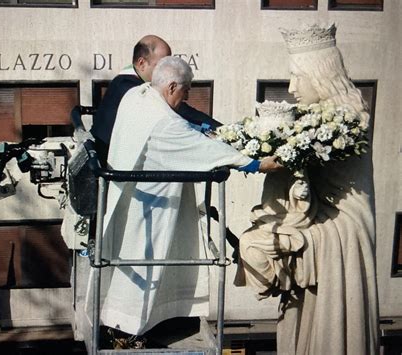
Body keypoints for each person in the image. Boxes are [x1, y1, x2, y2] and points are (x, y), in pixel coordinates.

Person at [97, 56, 281, 340]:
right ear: (171, 87)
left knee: (135, 261)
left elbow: (183, 130)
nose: (188, 96)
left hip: (131, 197)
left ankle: (125, 324)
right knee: (148, 263)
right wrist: (254, 164)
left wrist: (198, 129)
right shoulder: (166, 124)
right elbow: (199, 148)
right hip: (154, 207)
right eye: (187, 90)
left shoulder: (139, 95)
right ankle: (127, 331)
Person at [234, 24, 379, 354]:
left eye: (299, 76)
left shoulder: (347, 121)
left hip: (341, 235)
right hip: (312, 220)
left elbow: (298, 163)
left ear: (321, 76)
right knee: (255, 243)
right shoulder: (313, 119)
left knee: (255, 245)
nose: (291, 87)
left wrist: (267, 152)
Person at [90, 34, 222, 167]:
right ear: (141, 63)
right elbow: (179, 113)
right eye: (162, 65)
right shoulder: (133, 89)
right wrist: (222, 131)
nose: (169, 69)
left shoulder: (123, 83)